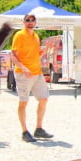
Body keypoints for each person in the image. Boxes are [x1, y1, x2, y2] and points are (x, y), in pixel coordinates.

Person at [11, 14, 53, 143]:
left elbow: (34, 54)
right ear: (23, 22)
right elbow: (13, 56)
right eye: (28, 20)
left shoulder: (35, 36)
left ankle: (38, 129)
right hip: (24, 73)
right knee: (23, 102)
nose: (30, 22)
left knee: (44, 99)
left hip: (37, 72)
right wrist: (24, 68)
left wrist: (43, 51)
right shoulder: (19, 35)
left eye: (32, 20)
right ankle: (24, 131)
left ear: (35, 22)